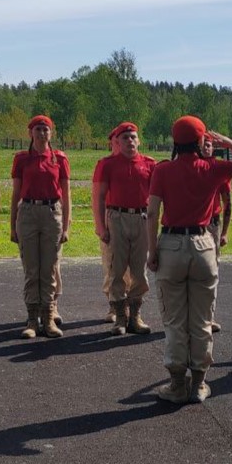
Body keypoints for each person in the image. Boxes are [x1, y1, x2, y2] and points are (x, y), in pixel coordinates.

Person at [147, 116, 232, 404]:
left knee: (175, 320)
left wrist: (151, 251)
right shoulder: (213, 168)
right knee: (201, 321)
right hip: (203, 245)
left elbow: (152, 213)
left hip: (171, 245)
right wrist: (227, 142)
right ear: (200, 141)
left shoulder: (163, 170)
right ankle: (199, 383)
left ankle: (177, 384)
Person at [10, 115, 71, 339]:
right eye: (38, 129)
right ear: (30, 133)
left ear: (51, 133)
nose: (42, 133)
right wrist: (12, 225)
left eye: (46, 130)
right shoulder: (22, 159)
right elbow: (16, 193)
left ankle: (48, 318)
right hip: (27, 212)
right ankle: (32, 320)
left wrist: (66, 226)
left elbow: (66, 195)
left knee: (49, 269)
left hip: (51, 213)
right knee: (31, 269)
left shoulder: (59, 159)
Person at [94, 121, 157, 336]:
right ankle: (120, 316)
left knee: (139, 270)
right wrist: (102, 227)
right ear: (117, 142)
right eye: (125, 138)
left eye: (133, 137)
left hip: (141, 218)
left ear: (139, 141)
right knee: (117, 269)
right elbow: (100, 197)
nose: (130, 141)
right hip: (117, 217)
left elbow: (156, 197)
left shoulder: (150, 164)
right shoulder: (107, 164)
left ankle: (135, 316)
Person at [92, 128, 132, 324]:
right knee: (111, 263)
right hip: (112, 216)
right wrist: (100, 226)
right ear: (112, 143)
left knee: (133, 267)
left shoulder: (138, 162)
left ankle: (130, 305)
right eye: (117, 141)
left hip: (133, 218)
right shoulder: (105, 164)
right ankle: (114, 305)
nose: (120, 144)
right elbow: (96, 197)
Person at [201, 134, 232, 333]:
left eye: (209, 145)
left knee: (211, 272)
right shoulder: (188, 168)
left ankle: (208, 317)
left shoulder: (219, 171)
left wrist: (224, 232)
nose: (206, 148)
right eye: (202, 144)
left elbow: (228, 203)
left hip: (212, 225)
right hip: (193, 226)